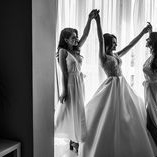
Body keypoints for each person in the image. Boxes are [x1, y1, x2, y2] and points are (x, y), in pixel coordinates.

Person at [79, 11, 157, 157]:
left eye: (116, 43)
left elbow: (130, 45)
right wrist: (98, 22)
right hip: (111, 86)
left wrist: (142, 33)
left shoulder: (116, 55)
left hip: (123, 86)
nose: (116, 45)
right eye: (114, 43)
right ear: (108, 44)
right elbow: (100, 40)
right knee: (109, 116)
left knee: (127, 115)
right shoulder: (103, 56)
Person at [54, 9, 98, 154]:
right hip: (71, 83)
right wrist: (64, 90)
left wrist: (90, 19)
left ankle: (74, 140)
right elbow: (64, 73)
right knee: (71, 111)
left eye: (76, 36)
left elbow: (85, 34)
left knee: (78, 111)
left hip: (80, 83)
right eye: (73, 37)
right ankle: (73, 140)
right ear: (65, 39)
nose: (76, 39)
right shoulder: (63, 52)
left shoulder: (77, 49)